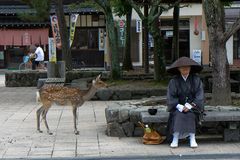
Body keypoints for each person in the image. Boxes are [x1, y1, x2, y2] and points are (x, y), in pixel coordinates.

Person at [166, 57, 204, 148]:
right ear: (178, 69)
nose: (185, 69)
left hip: (193, 107)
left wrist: (190, 106)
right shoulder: (174, 81)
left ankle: (192, 137)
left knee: (190, 114)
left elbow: (199, 95)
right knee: (179, 114)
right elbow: (171, 97)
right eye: (182, 67)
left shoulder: (196, 80)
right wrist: (179, 106)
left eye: (187, 67)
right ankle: (175, 137)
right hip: (177, 107)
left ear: (190, 68)